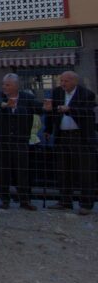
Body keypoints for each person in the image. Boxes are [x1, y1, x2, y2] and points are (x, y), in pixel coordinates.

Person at [44, 70, 96, 215]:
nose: (63, 84)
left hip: (80, 138)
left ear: (74, 81)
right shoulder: (57, 93)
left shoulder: (87, 94)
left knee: (84, 172)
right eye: (61, 81)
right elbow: (51, 111)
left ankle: (86, 203)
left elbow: (87, 113)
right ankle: (65, 201)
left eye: (66, 81)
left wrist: (70, 109)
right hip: (62, 136)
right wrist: (48, 128)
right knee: (63, 169)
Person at [0, 73, 42, 210]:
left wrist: (48, 108)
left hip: (21, 141)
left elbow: (40, 109)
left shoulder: (28, 98)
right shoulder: (0, 96)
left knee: (22, 171)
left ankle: (24, 200)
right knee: (3, 171)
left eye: (8, 84)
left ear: (16, 86)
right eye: (4, 84)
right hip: (3, 141)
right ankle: (4, 199)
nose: (5, 87)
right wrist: (5, 105)